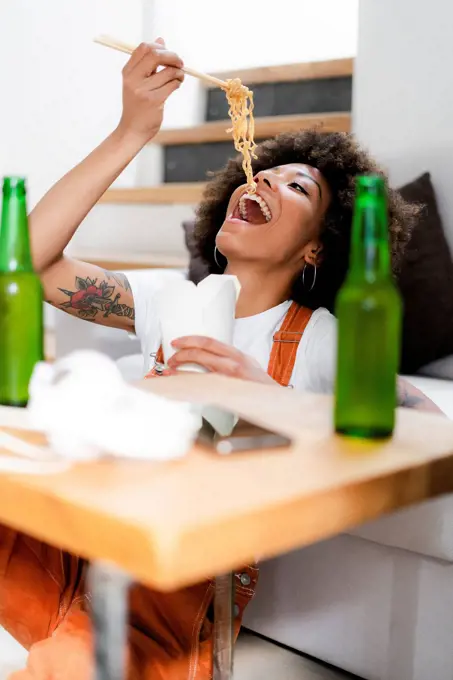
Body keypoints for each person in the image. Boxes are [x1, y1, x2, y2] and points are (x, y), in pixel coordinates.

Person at [1, 40, 441, 680]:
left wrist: (270, 398)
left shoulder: (321, 339)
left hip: (169, 599)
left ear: (319, 248)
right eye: (263, 172)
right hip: (76, 550)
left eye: (297, 185)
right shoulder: (165, 299)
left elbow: (430, 436)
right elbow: (33, 263)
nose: (261, 177)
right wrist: (132, 131)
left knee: (63, 667)